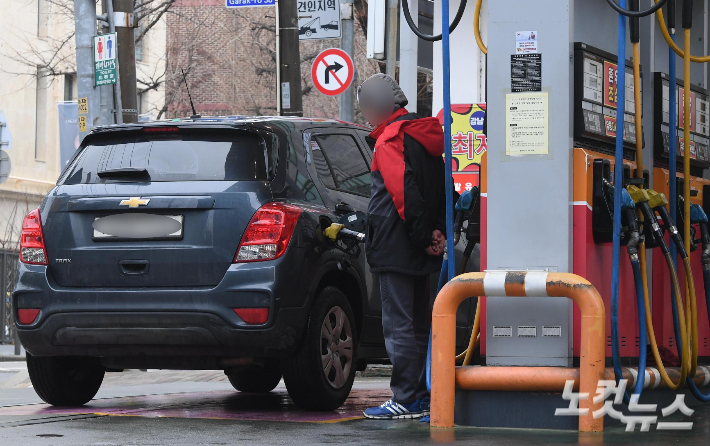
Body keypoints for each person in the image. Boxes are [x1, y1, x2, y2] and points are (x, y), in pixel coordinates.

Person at [358, 74, 447, 420]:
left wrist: (424, 236)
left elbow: (403, 194)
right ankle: (422, 395)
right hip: (419, 243)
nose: (366, 115)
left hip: (396, 245)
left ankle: (406, 398)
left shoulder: (390, 141)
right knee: (421, 325)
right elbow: (441, 188)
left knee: (399, 327)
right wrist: (435, 232)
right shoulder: (425, 136)